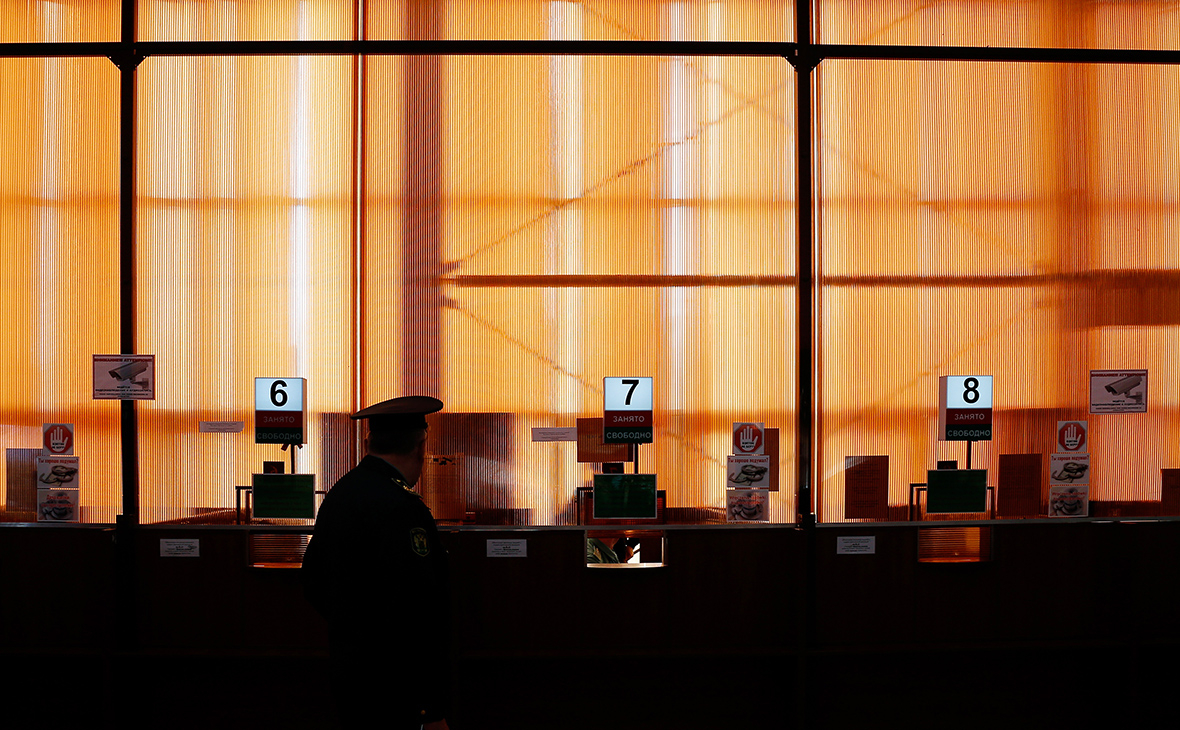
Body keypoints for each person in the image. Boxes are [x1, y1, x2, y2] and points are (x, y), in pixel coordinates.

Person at [302, 396, 451, 730]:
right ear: (421, 447)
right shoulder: (403, 507)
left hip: (351, 673)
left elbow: (312, 580)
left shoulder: (341, 494)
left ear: (369, 443)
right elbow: (419, 610)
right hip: (398, 687)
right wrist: (430, 707)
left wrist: (353, 628)